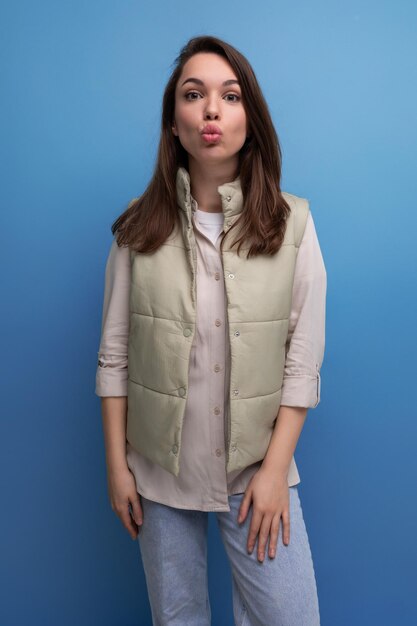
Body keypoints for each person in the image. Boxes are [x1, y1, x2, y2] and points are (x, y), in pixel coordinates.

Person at [95, 35, 326, 626]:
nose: (212, 110)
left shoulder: (292, 223)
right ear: (175, 122)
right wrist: (118, 466)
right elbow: (114, 355)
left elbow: (302, 362)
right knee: (178, 620)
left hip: (255, 465)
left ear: (251, 116)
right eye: (193, 95)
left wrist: (274, 472)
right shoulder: (136, 229)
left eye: (230, 95)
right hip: (158, 468)